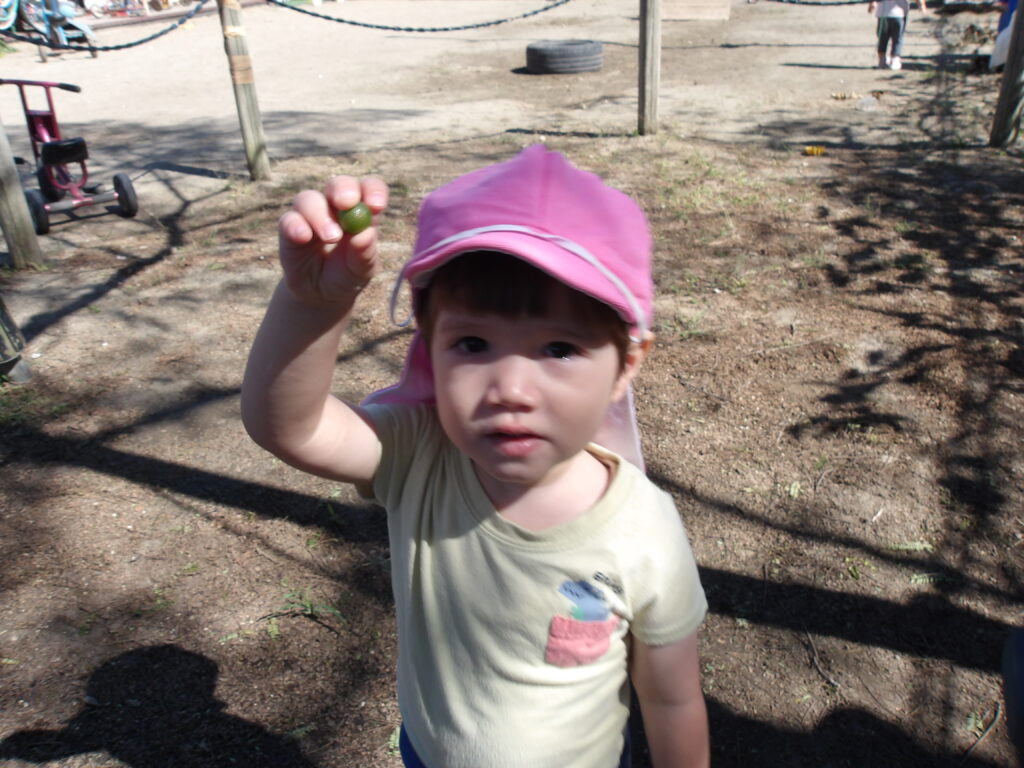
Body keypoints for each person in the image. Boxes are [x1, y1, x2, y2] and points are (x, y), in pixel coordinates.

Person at [241, 145, 710, 768]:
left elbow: (672, 699)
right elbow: (289, 428)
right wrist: (313, 306)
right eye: (472, 343)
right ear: (430, 348)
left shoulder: (645, 527)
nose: (511, 389)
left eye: (559, 349)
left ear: (625, 365)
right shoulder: (418, 455)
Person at [867, 0, 928, 71]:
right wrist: (921, 5)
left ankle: (882, 60)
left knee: (882, 38)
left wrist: (872, 3)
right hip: (899, 13)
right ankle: (895, 59)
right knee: (897, 38)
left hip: (883, 13)